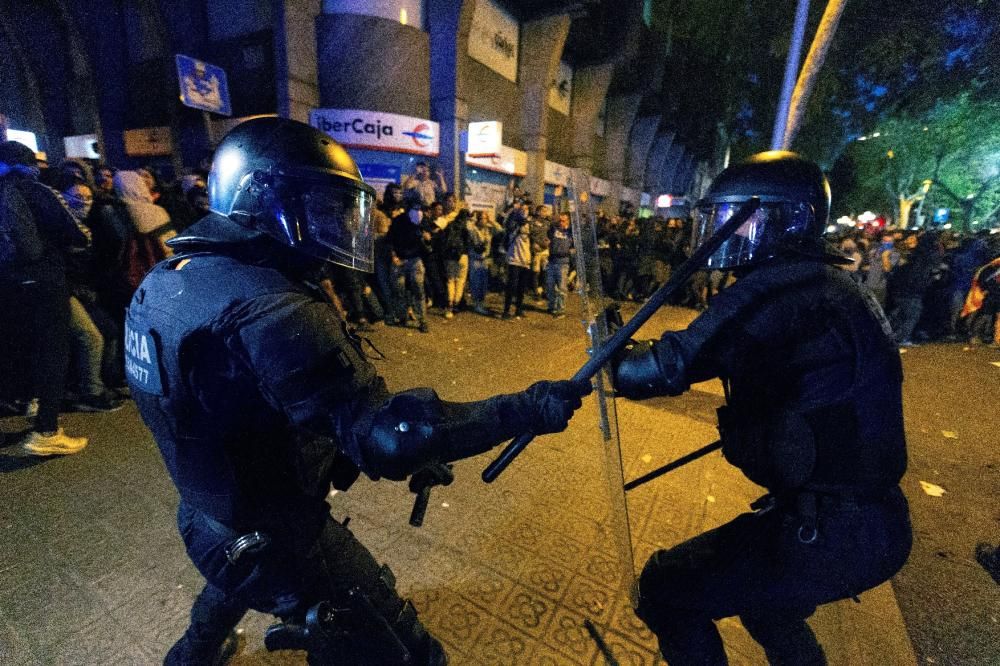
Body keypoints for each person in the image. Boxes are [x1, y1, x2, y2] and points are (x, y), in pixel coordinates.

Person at [123, 118, 587, 664]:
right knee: (405, 650)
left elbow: (248, 409)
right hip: (276, 533)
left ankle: (191, 655)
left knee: (236, 581)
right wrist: (523, 410)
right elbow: (393, 437)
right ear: (260, 199)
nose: (337, 226)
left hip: (211, 519)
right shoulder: (271, 307)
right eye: (319, 208)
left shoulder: (175, 275)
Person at [609, 151, 911, 665]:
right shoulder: (822, 283)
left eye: (735, 219)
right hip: (863, 523)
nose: (723, 233)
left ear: (785, 221)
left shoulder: (782, 290)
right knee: (766, 605)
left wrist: (612, 350)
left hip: (833, 530)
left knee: (667, 587)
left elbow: (655, 370)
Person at [0, 141, 90, 454]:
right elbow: (78, 233)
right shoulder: (36, 190)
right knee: (52, 351)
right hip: (43, 279)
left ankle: (25, 403)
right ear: (29, 163)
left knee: (15, 347)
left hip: (6, 283)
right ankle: (47, 430)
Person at [545, 211, 572, 318]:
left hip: (563, 262)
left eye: (563, 220)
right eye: (560, 220)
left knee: (561, 287)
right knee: (550, 285)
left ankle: (560, 309)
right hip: (552, 260)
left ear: (568, 220)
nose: (561, 222)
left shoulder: (571, 232)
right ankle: (551, 306)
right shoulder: (554, 229)